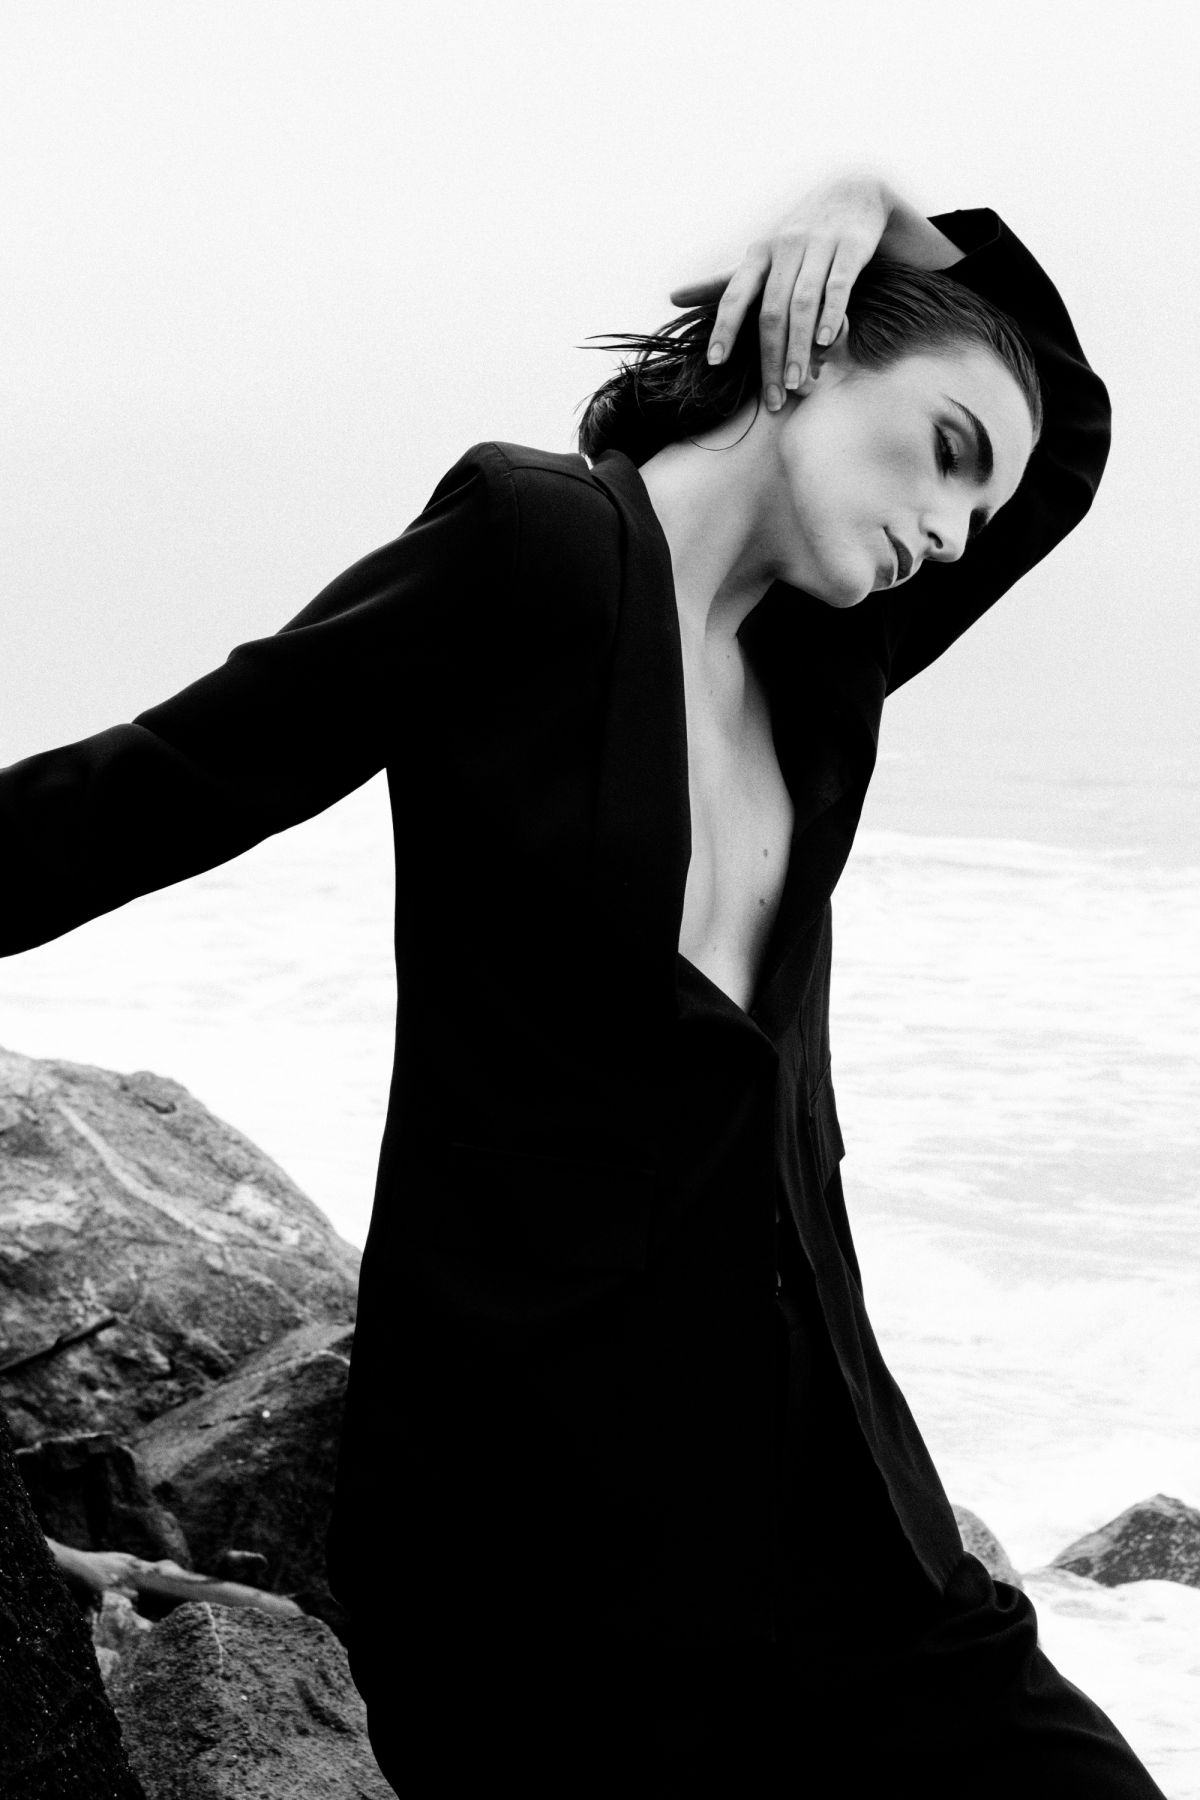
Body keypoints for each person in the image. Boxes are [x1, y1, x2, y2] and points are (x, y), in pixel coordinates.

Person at [0, 172, 1163, 1796]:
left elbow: (1071, 438)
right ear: (811, 349)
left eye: (984, 507)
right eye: (949, 450)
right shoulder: (538, 548)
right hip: (543, 1527)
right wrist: (867, 236)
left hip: (844, 1510)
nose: (959, 531)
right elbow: (166, 784)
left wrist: (895, 216)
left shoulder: (825, 662)